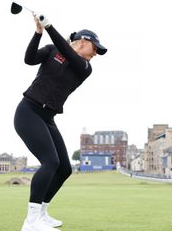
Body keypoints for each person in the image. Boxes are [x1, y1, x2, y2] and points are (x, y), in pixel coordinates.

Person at [14, 13, 107, 231]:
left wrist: (49, 26)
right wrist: (39, 32)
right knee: (51, 162)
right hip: (28, 112)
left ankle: (42, 214)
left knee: (64, 168)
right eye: (95, 49)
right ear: (83, 42)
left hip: (48, 117)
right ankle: (31, 222)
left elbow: (67, 51)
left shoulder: (84, 67)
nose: (96, 54)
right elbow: (29, 59)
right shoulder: (51, 50)